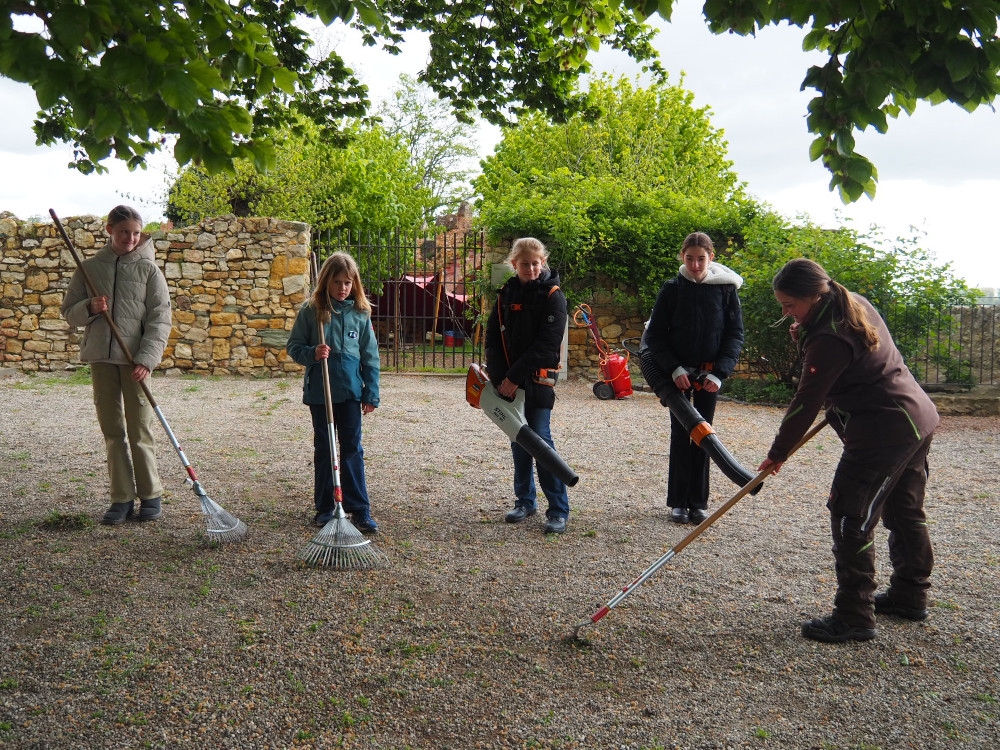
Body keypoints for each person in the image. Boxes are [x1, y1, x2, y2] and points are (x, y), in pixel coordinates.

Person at [758, 258, 940, 643]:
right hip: (915, 417)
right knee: (904, 509)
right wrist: (803, 331)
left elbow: (805, 402)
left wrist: (778, 453)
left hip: (884, 432)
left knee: (849, 512)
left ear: (814, 295)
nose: (786, 312)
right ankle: (910, 595)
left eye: (790, 304)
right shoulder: (849, 302)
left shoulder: (828, 337)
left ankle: (854, 615)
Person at [61, 205, 173, 525]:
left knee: (140, 429)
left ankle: (150, 495)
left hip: (135, 362)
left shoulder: (149, 271)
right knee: (113, 430)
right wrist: (90, 307)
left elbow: (160, 319)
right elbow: (69, 313)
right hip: (101, 359)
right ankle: (121, 497)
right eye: (124, 232)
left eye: (136, 233)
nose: (131, 238)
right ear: (110, 230)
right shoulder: (88, 269)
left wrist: (147, 360)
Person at [640, 232, 745, 525]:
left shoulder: (726, 290)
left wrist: (719, 373)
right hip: (678, 374)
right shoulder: (672, 288)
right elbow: (656, 336)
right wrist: (674, 369)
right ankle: (677, 502)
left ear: (711, 258)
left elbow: (734, 335)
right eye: (690, 259)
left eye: (701, 259)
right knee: (680, 434)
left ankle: (698, 503)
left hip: (710, 374)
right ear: (682, 257)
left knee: (704, 437)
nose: (696, 265)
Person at [286, 252, 381, 533]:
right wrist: (312, 353)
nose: (343, 288)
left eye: (348, 283)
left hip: (351, 393)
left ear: (355, 284)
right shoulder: (311, 311)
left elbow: (370, 356)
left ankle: (360, 508)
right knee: (325, 449)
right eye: (337, 282)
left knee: (352, 448)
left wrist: (371, 393)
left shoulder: (360, 313)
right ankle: (326, 507)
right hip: (321, 393)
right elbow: (294, 347)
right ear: (326, 281)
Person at [485, 237, 570, 534]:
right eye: (525, 264)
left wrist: (513, 378)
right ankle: (525, 501)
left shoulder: (554, 296)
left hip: (538, 382)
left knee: (541, 441)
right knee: (518, 442)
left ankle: (558, 509)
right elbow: (492, 340)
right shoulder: (504, 294)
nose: (531, 268)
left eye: (536, 263)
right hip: (508, 384)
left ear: (543, 262)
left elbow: (547, 347)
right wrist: (499, 380)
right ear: (514, 264)